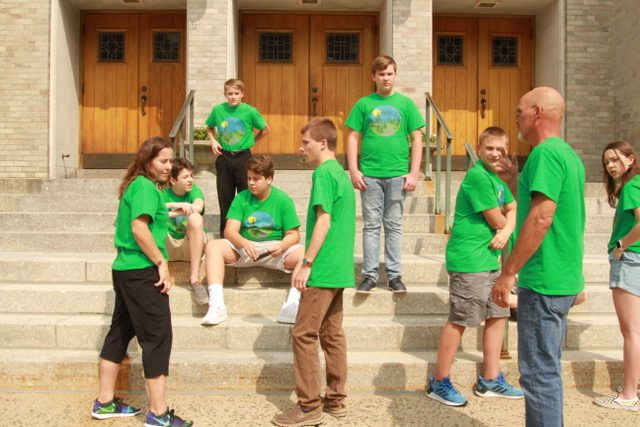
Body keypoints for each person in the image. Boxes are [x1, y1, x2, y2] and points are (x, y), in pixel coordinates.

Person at [492, 87, 585, 426]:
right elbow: (561, 216)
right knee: (546, 371)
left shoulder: (545, 154)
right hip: (561, 279)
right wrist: (513, 181)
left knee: (538, 375)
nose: (515, 117)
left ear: (538, 113)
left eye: (520, 111)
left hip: (544, 282)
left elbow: (543, 218)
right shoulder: (567, 154)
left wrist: (507, 273)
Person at [91, 137, 193, 427]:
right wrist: (161, 263)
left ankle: (104, 402)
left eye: (171, 160)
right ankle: (159, 414)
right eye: (163, 161)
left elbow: (148, 217)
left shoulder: (139, 185)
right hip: (142, 270)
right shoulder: (146, 187)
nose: (169, 166)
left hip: (125, 269)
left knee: (120, 333)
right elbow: (139, 228)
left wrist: (174, 211)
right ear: (148, 161)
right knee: (158, 337)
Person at [427, 127, 523, 406]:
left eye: (500, 150)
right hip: (470, 261)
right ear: (478, 150)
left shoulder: (496, 179)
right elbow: (497, 219)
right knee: (460, 319)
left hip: (490, 260)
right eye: (489, 148)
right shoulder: (477, 177)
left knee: (498, 315)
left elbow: (513, 208)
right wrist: (507, 228)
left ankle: (490, 379)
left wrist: (507, 231)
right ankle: (439, 381)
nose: (495, 154)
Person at [272, 118, 356, 426]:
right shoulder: (341, 174)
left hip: (323, 268)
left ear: (322, 143)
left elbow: (323, 220)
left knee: (303, 333)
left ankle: (309, 407)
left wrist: (306, 263)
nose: (300, 148)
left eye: (305, 142)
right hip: (340, 267)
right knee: (332, 334)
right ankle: (335, 399)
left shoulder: (323, 173)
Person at [346, 55, 425, 294]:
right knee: (371, 226)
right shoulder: (364, 104)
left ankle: (394, 276)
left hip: (398, 175)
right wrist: (353, 169)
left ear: (395, 75)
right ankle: (369, 276)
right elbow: (352, 137)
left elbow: (417, 138)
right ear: (374, 77)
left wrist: (414, 173)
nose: (386, 78)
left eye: (390, 73)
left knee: (393, 226)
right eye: (381, 74)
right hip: (369, 175)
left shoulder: (406, 104)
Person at [201, 155, 304, 326]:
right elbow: (230, 231)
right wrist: (244, 243)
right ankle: (217, 305)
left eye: (256, 179)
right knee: (213, 246)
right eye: (249, 178)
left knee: (306, 254)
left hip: (274, 250)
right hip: (245, 249)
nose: (251, 183)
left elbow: (294, 235)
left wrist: (282, 245)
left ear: (269, 179)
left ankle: (291, 306)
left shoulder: (283, 200)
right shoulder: (241, 197)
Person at [593, 141, 640, 412]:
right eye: (606, 161)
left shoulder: (631, 187)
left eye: (615, 159)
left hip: (630, 259)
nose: (610, 165)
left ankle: (628, 395)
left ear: (631, 159)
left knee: (631, 331)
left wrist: (621, 245)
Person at [205, 78, 269, 237]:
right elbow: (209, 127)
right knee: (225, 197)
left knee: (246, 196)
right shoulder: (218, 110)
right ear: (225, 94)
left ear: (242, 94)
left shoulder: (250, 111)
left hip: (243, 158)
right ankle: (225, 235)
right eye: (230, 94)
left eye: (236, 93)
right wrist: (213, 140)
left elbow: (265, 129)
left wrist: (252, 142)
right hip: (224, 157)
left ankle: (246, 233)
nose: (233, 96)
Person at [163, 158, 208, 305]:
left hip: (189, 246)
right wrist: (178, 205)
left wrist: (170, 212)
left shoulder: (195, 191)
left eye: (191, 176)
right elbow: (155, 210)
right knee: (154, 222)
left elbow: (198, 207)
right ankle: (163, 273)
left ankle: (194, 279)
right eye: (185, 177)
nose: (190, 180)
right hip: (168, 246)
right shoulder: (163, 194)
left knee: (195, 218)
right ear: (173, 180)